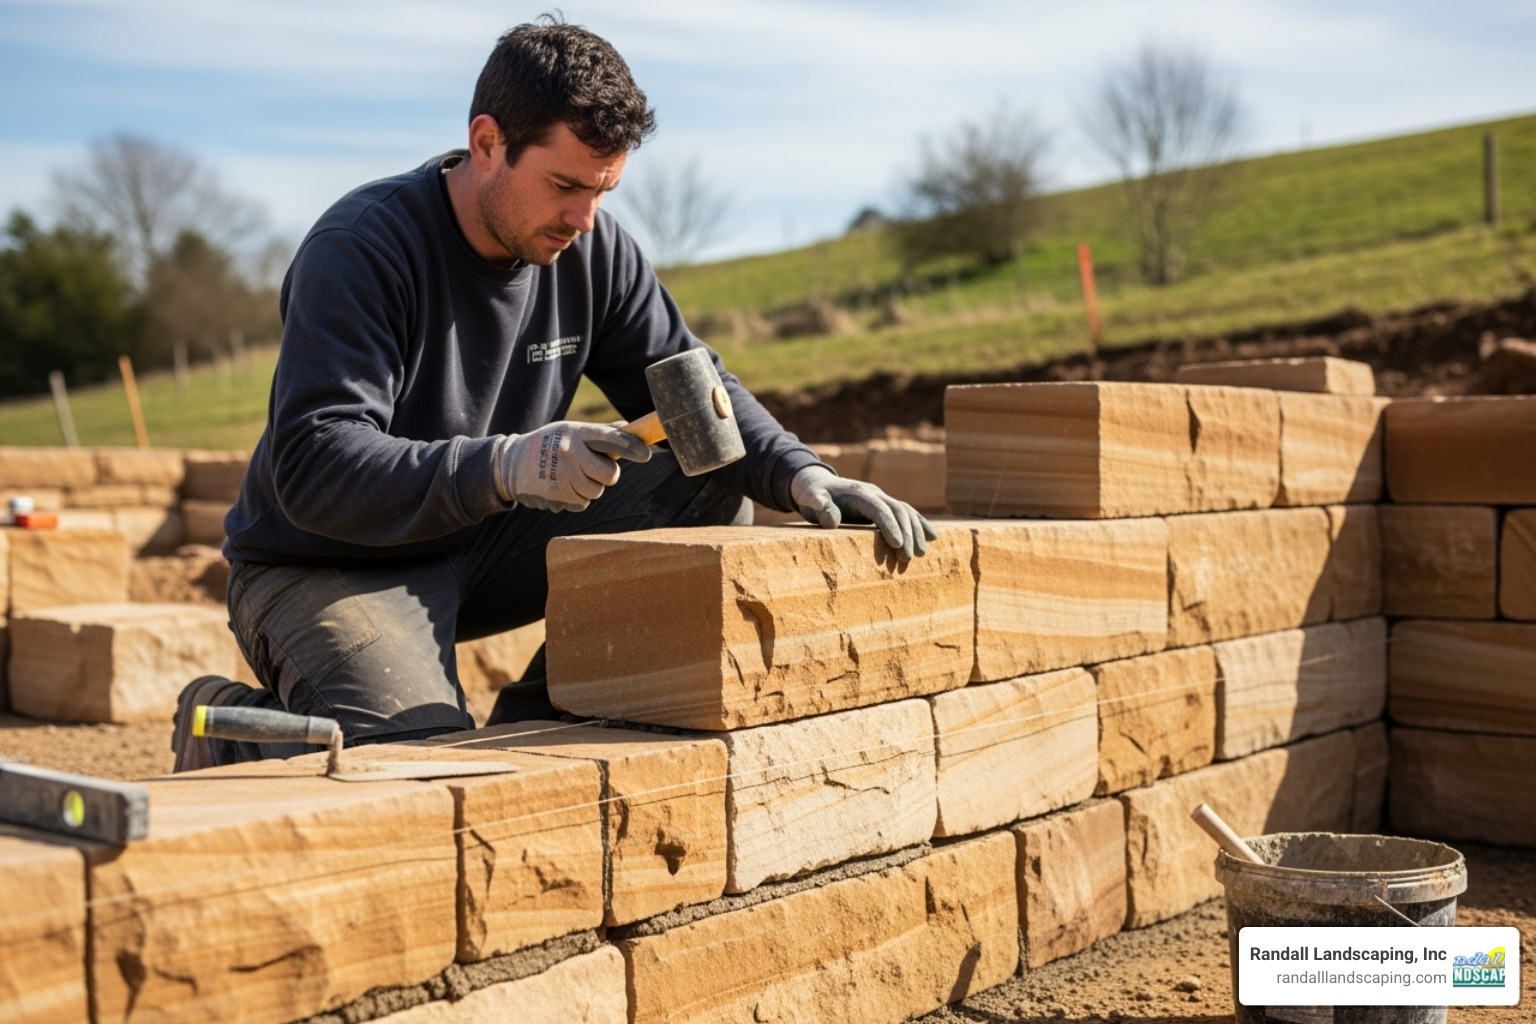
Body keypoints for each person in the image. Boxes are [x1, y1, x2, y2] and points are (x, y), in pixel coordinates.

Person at [172, 16, 936, 770]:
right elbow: (316, 466)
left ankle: (541, 722)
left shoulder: (592, 249)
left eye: (603, 190)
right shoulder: (364, 251)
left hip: (484, 542)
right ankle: (232, 733)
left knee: (708, 483)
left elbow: (694, 391)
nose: (584, 219)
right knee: (415, 766)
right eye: (564, 185)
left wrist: (804, 474)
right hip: (329, 562)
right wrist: (506, 465)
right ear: (486, 144)